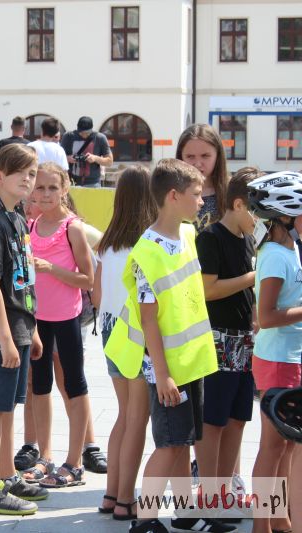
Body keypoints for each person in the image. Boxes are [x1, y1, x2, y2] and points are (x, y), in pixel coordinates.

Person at [105, 159, 226, 533]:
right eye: (196, 194)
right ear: (173, 196)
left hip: (189, 362)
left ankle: (187, 514)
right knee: (169, 445)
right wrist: (162, 374)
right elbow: (149, 319)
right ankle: (145, 520)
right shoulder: (147, 252)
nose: (202, 201)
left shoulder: (188, 234)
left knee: (182, 441)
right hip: (167, 368)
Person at [0, 143, 48, 514]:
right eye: (22, 174)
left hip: (18, 326)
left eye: (32, 174)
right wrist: (5, 340)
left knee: (7, 406)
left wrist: (31, 329)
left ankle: (5, 476)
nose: (29, 181)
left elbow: (23, 279)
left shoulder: (15, 216)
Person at [192, 167, 259, 519]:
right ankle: (209, 492)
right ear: (238, 204)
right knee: (213, 420)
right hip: (218, 340)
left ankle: (227, 488)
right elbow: (208, 290)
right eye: (257, 210)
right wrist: (254, 276)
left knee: (237, 419)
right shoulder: (211, 237)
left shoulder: (248, 239)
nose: (260, 220)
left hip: (244, 341)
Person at [92, 166, 156, 520]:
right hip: (138, 333)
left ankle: (111, 494)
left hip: (110, 330)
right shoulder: (148, 244)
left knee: (124, 414)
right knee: (137, 418)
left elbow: (96, 296)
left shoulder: (107, 243)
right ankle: (125, 500)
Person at [28, 162, 95, 488]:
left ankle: (75, 462)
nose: (45, 194)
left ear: (64, 189)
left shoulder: (73, 228)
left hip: (67, 318)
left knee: (74, 385)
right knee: (39, 387)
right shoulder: (31, 225)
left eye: (52, 187)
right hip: (37, 319)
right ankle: (45, 456)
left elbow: (88, 279)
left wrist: (51, 269)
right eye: (40, 187)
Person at [247, 171, 302, 533]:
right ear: (285, 217)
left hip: (291, 358)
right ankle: (261, 525)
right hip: (278, 361)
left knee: (288, 446)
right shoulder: (275, 257)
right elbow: (265, 317)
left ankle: (280, 520)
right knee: (272, 447)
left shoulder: (291, 249)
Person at [176, 123, 230, 232]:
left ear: (217, 156)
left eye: (205, 156)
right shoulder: (172, 192)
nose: (198, 164)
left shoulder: (232, 190)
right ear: (181, 157)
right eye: (190, 156)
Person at [59, 116, 113, 188]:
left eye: (87, 133)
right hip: (71, 181)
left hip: (93, 183)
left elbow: (109, 161)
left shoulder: (100, 138)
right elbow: (58, 157)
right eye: (81, 132)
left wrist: (95, 158)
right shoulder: (68, 136)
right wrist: (68, 158)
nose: (84, 135)